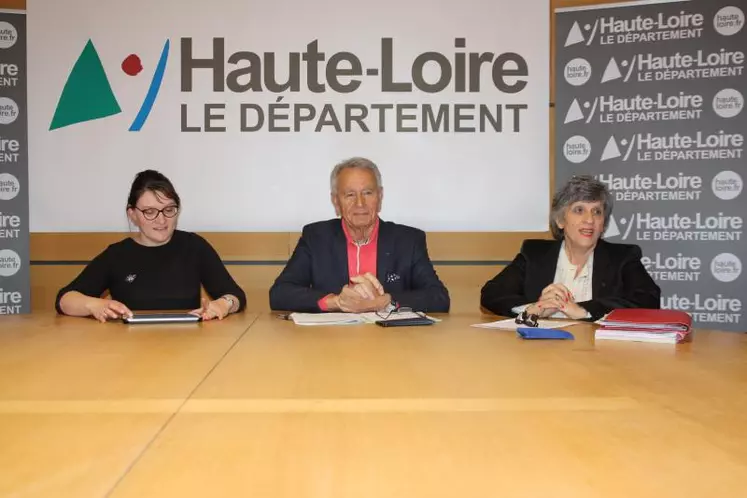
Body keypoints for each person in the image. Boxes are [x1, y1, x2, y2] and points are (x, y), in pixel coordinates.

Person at [55, 170, 246, 322]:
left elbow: (236, 296)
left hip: (187, 347)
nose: (161, 220)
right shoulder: (117, 255)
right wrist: (93, 305)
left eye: (169, 210)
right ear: (132, 214)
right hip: (128, 349)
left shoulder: (194, 246)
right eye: (150, 212)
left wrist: (223, 304)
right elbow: (64, 299)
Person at [269, 157, 450, 313]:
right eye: (350, 195)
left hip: (393, 342)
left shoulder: (408, 240)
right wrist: (336, 302)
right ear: (335, 201)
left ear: (380, 197)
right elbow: (279, 293)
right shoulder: (316, 237)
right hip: (329, 342)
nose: (360, 203)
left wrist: (386, 301)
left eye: (367, 193)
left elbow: (438, 297)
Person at [480, 175, 660, 321]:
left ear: (603, 223)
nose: (589, 220)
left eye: (597, 211)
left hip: (601, 356)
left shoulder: (622, 257)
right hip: (538, 353)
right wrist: (534, 308)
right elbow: (492, 293)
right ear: (560, 220)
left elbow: (648, 299)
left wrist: (583, 310)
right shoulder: (535, 253)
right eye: (579, 210)